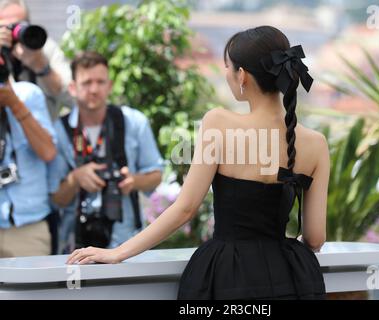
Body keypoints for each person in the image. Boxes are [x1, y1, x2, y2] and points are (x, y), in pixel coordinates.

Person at [67, 26, 329, 300]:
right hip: (291, 278)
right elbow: (315, 238)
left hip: (229, 274)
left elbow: (185, 209)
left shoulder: (219, 123)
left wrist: (117, 253)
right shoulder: (316, 144)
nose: (227, 74)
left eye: (228, 67)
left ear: (242, 76)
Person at [50, 51, 164, 252]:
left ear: (109, 86)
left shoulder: (134, 122)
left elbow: (156, 175)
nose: (94, 89)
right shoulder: (59, 130)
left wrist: (133, 181)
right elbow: (55, 198)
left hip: (127, 243)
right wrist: (76, 178)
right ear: (73, 88)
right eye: (86, 83)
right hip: (74, 243)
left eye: (100, 82)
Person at [0, 78, 57, 257]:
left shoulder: (27, 94)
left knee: (30, 285)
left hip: (28, 228)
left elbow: (48, 152)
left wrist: (15, 104)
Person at [0, 0, 73, 120]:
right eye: (6, 27)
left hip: (44, 132)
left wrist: (41, 66)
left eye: (18, 26)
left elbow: (72, 98)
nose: (13, 33)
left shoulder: (44, 47)